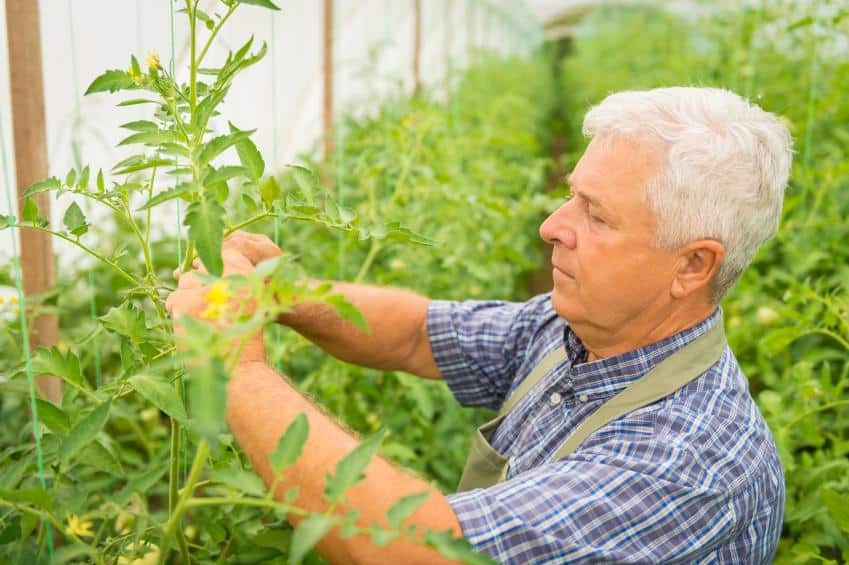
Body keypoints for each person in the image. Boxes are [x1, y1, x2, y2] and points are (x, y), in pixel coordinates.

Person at [166, 86, 792, 564]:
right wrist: (281, 294)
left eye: (596, 217)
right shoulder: (576, 331)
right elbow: (416, 331)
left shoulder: (685, 466)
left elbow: (418, 552)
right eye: (572, 195)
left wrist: (238, 371)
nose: (552, 225)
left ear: (692, 265)